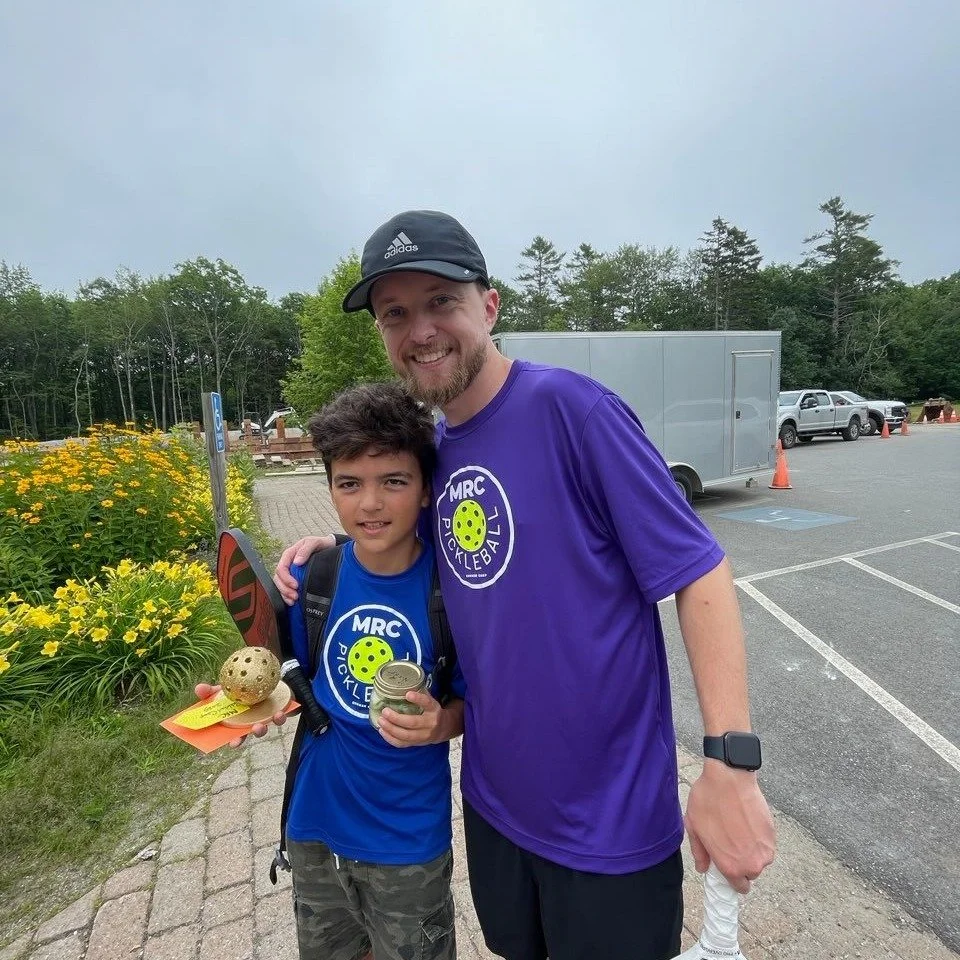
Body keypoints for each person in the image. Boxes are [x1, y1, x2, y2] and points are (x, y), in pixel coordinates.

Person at [274, 210, 776, 960]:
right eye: (396, 313)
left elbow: (699, 570)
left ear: (490, 305)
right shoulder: (435, 450)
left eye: (441, 301)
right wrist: (337, 549)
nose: (420, 330)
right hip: (495, 807)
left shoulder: (574, 412)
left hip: (609, 824)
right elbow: (423, 545)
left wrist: (729, 764)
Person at [204, 380, 465, 960]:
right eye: (350, 484)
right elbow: (295, 681)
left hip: (406, 844)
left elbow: (472, 703)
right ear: (329, 488)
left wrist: (441, 725)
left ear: (425, 490)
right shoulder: (314, 580)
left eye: (393, 481)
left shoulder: (452, 594)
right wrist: (249, 705)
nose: (370, 503)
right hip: (313, 828)